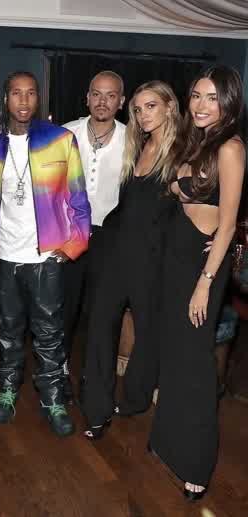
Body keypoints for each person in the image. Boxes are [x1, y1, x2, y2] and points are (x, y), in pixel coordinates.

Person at [149, 66, 246, 500]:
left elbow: (229, 222)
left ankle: (198, 463)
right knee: (173, 354)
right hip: (176, 256)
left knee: (196, 365)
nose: (202, 105)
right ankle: (168, 443)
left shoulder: (230, 147)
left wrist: (206, 282)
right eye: (196, 95)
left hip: (201, 265)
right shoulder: (196, 141)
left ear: (229, 102)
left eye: (212, 97)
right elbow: (179, 191)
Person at [0, 71, 90, 436]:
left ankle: (53, 398)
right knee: (9, 330)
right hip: (5, 253)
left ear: (38, 98)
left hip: (46, 256)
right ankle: (8, 388)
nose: (24, 100)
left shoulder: (60, 140)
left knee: (49, 333)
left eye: (30, 93)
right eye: (17, 93)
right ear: (6, 99)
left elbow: (78, 197)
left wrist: (73, 246)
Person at [81, 81, 180, 440]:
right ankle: (96, 410)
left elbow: (196, 208)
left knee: (149, 334)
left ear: (170, 107)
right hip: (115, 252)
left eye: (151, 106)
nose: (142, 114)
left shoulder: (183, 154)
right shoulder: (137, 147)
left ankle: (136, 398)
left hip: (152, 260)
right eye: (137, 109)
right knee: (98, 329)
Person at [62, 71, 126, 401]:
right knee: (63, 309)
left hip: (109, 238)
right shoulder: (65, 133)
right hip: (68, 234)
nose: (103, 101)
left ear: (121, 101)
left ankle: (94, 380)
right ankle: (57, 374)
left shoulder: (133, 141)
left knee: (101, 314)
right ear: (87, 97)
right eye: (97, 94)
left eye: (111, 95)